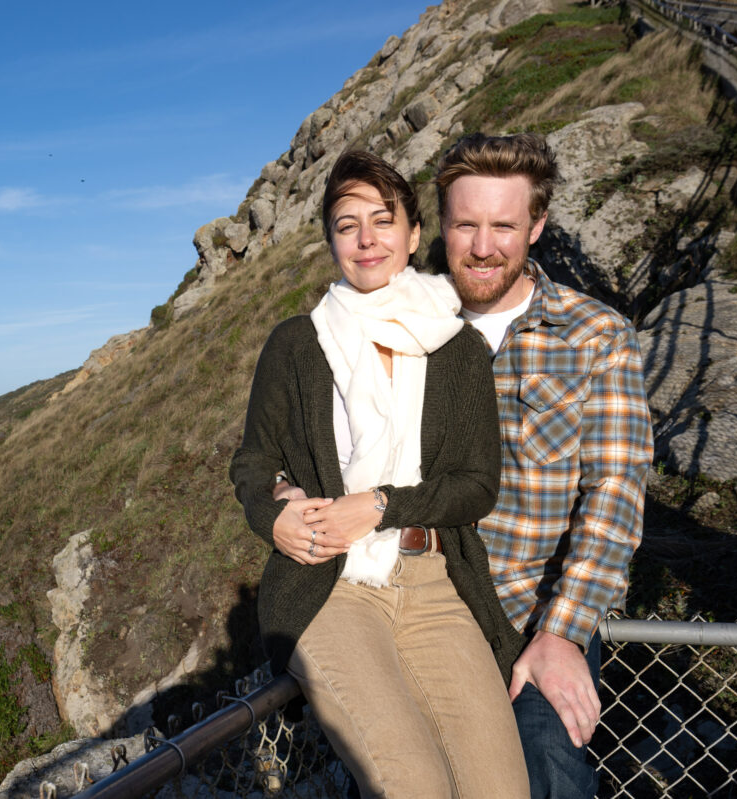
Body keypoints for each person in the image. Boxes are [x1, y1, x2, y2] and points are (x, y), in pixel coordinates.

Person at [230, 150, 529, 798]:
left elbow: (478, 484)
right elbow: (254, 460)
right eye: (345, 223)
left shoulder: (460, 349)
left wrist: (379, 504)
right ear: (331, 240)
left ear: (414, 234)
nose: (365, 238)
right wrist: (274, 508)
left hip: (433, 586)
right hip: (330, 588)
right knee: (413, 786)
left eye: (381, 219)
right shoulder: (296, 344)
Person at [434, 132, 654, 798]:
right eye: (465, 223)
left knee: (547, 774)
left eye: (504, 224)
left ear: (538, 225)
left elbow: (614, 487)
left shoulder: (597, 336)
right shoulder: (400, 333)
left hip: (534, 619)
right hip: (420, 621)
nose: (482, 244)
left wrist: (562, 632)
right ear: (439, 225)